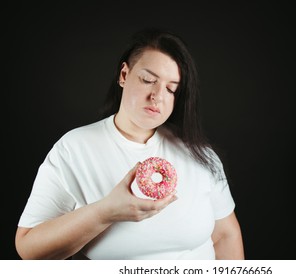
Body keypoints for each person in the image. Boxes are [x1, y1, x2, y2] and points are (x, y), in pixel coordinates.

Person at [15, 28, 244, 260]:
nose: (158, 95)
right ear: (124, 75)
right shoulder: (74, 148)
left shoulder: (198, 152)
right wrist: (105, 212)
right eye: (148, 80)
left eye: (171, 88)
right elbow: (29, 249)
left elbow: (225, 236)